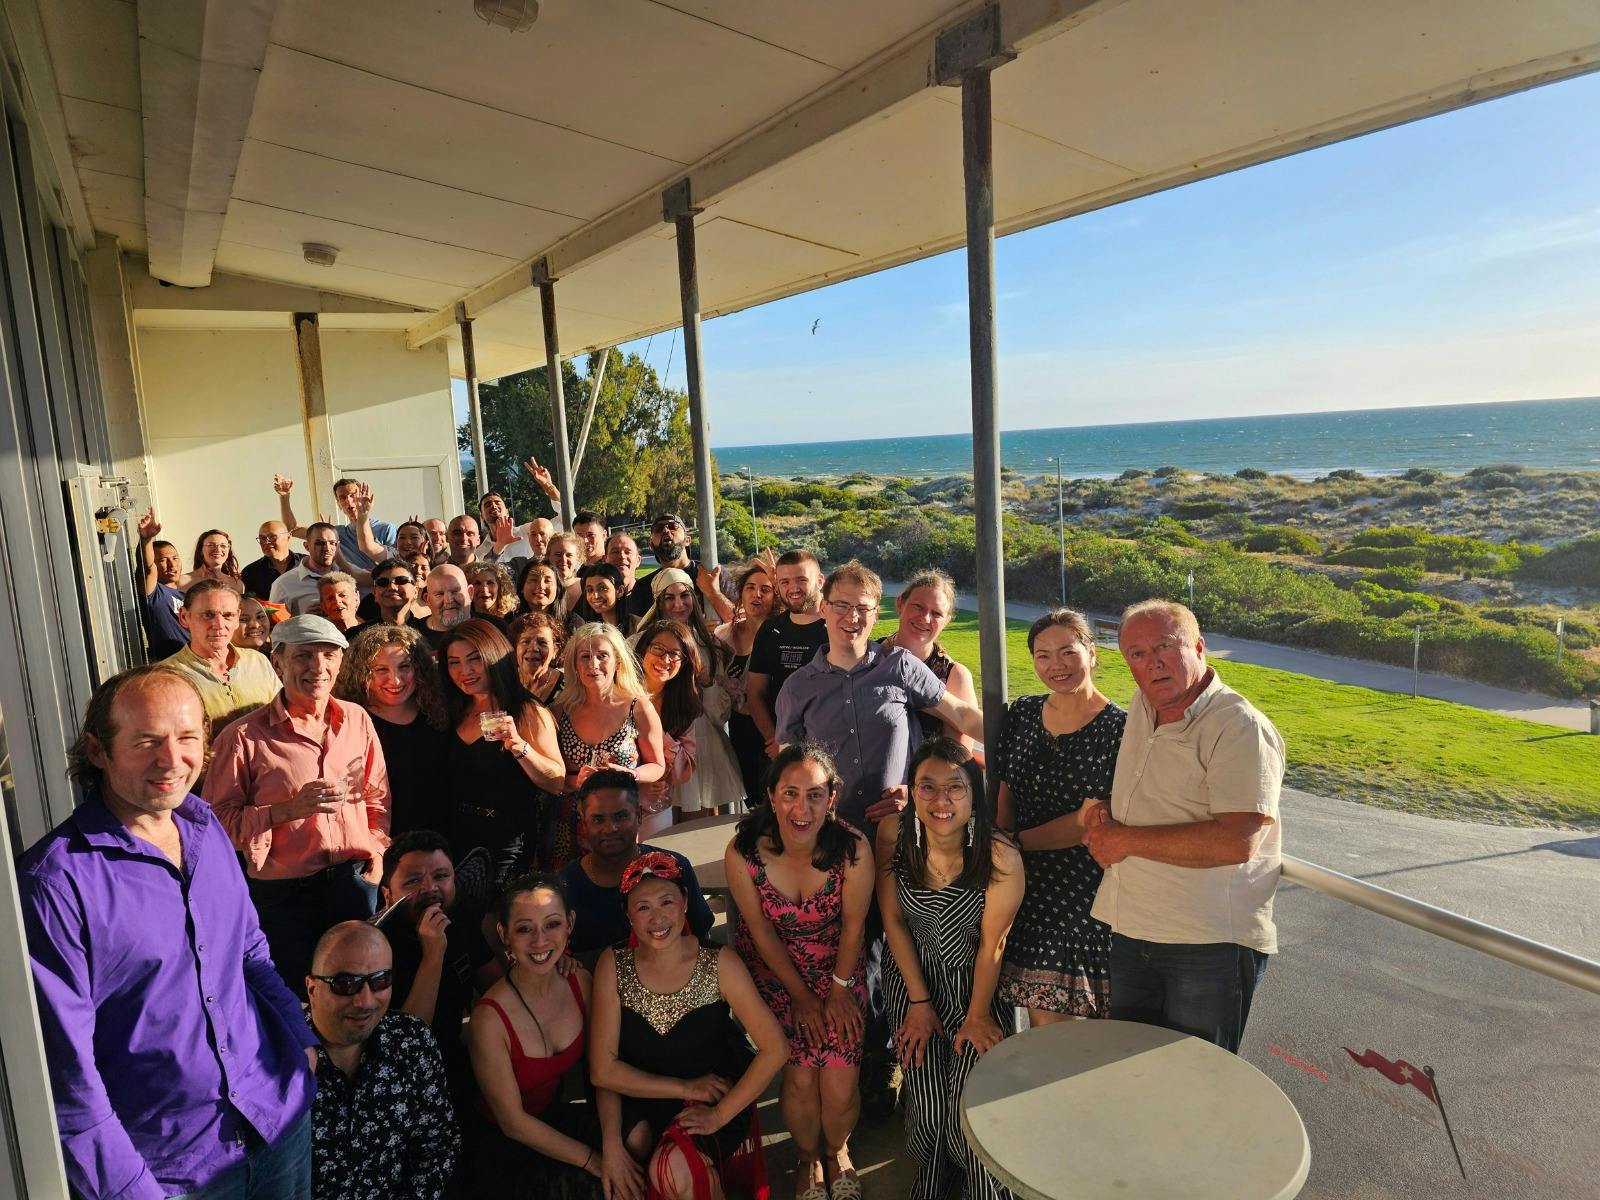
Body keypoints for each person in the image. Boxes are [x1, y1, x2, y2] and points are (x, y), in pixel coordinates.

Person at [20, 665, 318, 1200]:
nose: (171, 760)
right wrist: (128, 1190)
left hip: (275, 1123)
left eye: (186, 738)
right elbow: (66, 1072)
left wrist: (299, 1042)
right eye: (145, 741)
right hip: (170, 1173)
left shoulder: (204, 826)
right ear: (97, 751)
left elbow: (249, 950)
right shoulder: (55, 884)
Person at [1084, 600, 1285, 1054]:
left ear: (1199, 647)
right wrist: (1107, 815)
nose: (1151, 662)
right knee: (1129, 1070)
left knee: (1198, 1086)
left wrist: (1121, 839)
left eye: (1164, 646)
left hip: (1207, 944)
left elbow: (1238, 841)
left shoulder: (1238, 726)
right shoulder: (1142, 704)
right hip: (1133, 929)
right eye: (1135, 653)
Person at [204, 613, 391, 994]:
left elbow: (378, 795)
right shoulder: (242, 737)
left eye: (329, 655)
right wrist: (287, 810)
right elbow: (215, 825)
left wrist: (377, 849)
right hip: (285, 896)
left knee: (360, 995)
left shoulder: (357, 719)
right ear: (277, 662)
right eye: (304, 656)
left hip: (353, 883)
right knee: (297, 1000)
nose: (318, 667)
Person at [590, 853, 787, 1200]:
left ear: (684, 904)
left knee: (671, 1168)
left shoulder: (719, 962)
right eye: (643, 907)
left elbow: (775, 1049)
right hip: (645, 1094)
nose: (657, 917)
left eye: (667, 901)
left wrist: (719, 1115)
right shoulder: (613, 965)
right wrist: (684, 1087)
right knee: (631, 1162)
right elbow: (603, 1070)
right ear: (628, 916)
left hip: (711, 1099)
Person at [877, 739, 1024, 1200]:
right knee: (926, 1093)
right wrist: (918, 1003)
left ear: (973, 795)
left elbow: (991, 944)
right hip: (912, 977)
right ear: (913, 791)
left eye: (955, 788)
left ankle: (984, 1189)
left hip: (977, 984)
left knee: (973, 1094)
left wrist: (976, 1016)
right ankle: (935, 1180)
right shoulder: (891, 834)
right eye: (928, 787)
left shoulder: (1000, 856)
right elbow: (894, 921)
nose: (941, 801)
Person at [727, 743, 873, 1200]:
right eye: (790, 793)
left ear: (832, 799)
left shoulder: (853, 849)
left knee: (840, 1078)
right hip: (777, 974)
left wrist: (836, 990)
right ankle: (808, 1160)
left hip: (840, 970)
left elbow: (853, 927)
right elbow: (759, 931)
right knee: (801, 1076)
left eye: (815, 794)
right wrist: (802, 997)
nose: (802, 807)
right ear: (771, 795)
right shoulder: (744, 851)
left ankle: (839, 1152)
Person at [775, 560, 984, 830]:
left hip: (898, 829)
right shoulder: (797, 686)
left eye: (863, 609)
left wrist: (1028, 731)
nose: (852, 617)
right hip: (830, 832)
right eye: (842, 606)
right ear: (823, 608)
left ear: (876, 615)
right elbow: (787, 767)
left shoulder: (900, 665)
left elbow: (962, 715)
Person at [995, 609, 1123, 1023]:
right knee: (1038, 1027)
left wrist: (1010, 845)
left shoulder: (1118, 729)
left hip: (1077, 892)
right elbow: (1006, 788)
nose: (1056, 666)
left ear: (1092, 653)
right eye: (1043, 655)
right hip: (1018, 882)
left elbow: (1087, 820)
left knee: (1060, 1032)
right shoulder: (1023, 713)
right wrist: (1003, 852)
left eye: (1067, 652)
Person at [467, 874, 612, 1199]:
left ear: (569, 924)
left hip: (553, 1118)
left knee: (637, 1137)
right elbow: (513, 1124)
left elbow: (602, 1072)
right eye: (524, 929)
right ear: (503, 934)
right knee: (597, 1186)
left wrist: (614, 1145)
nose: (540, 941)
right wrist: (596, 1161)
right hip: (502, 1148)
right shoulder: (489, 1019)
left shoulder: (578, 981)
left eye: (552, 925)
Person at [306, 921, 460, 1200]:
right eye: (345, 984)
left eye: (380, 981)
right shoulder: (277, 1060)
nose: (365, 1001)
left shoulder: (412, 1041)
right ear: (312, 989)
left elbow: (437, 1148)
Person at [377, 832, 499, 1105]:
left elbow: (500, 989)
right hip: (398, 1082)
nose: (429, 888)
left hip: (454, 1061)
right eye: (413, 880)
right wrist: (433, 954)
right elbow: (408, 1044)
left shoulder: (461, 923)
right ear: (388, 894)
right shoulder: (375, 949)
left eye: (441, 876)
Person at [439, 618, 567, 879]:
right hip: (457, 834)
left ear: (495, 656)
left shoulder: (527, 711)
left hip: (506, 839)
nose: (465, 670)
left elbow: (556, 781)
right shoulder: (453, 709)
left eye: (475, 659)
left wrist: (520, 747)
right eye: (454, 662)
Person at [558, 771, 715, 968]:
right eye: (598, 819)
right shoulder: (564, 886)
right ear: (584, 824)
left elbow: (702, 939)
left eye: (620, 816)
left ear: (639, 816)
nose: (610, 828)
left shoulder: (674, 866)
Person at [334, 624, 452, 836]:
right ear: (361, 674)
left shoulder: (437, 711)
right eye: (381, 670)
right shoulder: (350, 723)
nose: (395, 680)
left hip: (442, 843)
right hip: (382, 848)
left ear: (420, 668)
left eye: (405, 667)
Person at [553, 623, 667, 843]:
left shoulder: (639, 707)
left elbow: (657, 766)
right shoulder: (559, 711)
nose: (593, 665)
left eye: (602, 656)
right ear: (575, 665)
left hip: (620, 822)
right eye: (584, 657)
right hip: (569, 826)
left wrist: (629, 775)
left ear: (617, 662)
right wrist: (576, 780)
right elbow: (549, 775)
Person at [640, 571, 743, 813]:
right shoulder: (639, 642)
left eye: (685, 596)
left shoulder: (711, 643)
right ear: (659, 602)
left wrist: (718, 684)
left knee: (704, 816)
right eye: (669, 598)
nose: (678, 604)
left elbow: (718, 712)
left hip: (703, 737)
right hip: (655, 737)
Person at [165, 579, 282, 730]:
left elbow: (281, 719)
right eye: (208, 615)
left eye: (228, 615)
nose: (219, 625)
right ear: (184, 617)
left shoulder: (257, 661)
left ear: (237, 618)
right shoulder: (169, 676)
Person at [881, 571, 980, 749]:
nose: (925, 618)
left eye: (936, 613)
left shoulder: (953, 675)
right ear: (900, 604)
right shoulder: (869, 654)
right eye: (918, 606)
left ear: (947, 621)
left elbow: (957, 755)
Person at [746, 549, 828, 763]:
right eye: (784, 582)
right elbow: (755, 692)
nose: (793, 589)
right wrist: (775, 739)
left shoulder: (836, 628)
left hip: (828, 749)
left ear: (820, 581)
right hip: (780, 752)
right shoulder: (770, 630)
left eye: (801, 580)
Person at [715, 559, 778, 807]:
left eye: (765, 589)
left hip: (773, 726)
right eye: (750, 587)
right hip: (739, 726)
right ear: (740, 594)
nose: (757, 594)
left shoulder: (780, 633)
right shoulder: (724, 635)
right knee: (752, 796)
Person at [274, 474, 395, 572]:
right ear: (338, 503)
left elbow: (397, 565)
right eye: (343, 497)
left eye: (353, 495)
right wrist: (284, 496)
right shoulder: (335, 533)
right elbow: (293, 529)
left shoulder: (386, 529)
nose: (349, 501)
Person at [643, 514, 734, 624]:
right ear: (651, 544)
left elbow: (742, 622)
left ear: (687, 540)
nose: (666, 530)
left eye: (673, 526)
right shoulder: (643, 587)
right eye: (658, 529)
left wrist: (713, 593)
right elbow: (637, 635)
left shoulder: (713, 574)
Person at [135, 511, 189, 660]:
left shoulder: (189, 597)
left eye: (175, 558)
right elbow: (146, 568)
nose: (172, 564)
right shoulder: (154, 592)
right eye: (163, 560)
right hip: (169, 667)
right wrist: (146, 539)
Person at [269, 521, 341, 615]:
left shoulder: (348, 574)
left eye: (332, 543)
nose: (327, 548)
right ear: (307, 546)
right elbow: (274, 626)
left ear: (338, 545)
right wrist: (305, 619)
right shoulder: (283, 584)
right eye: (319, 543)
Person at [410, 563, 486, 653]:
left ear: (470, 593)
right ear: (428, 600)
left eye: (455, 591)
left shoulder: (495, 629)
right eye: (439, 594)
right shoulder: (410, 638)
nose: (448, 600)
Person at [511, 610, 566, 705]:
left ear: (555, 651)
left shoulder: (568, 688)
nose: (533, 648)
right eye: (526, 641)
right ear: (515, 648)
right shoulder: (503, 681)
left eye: (542, 642)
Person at [242, 520, 301, 599]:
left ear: (288, 536)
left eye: (272, 536)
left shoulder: (306, 563)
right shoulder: (250, 572)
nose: (266, 542)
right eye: (262, 538)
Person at [572, 561, 634, 635]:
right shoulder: (586, 632)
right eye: (590, 590)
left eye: (602, 588)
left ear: (620, 591)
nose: (595, 596)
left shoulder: (638, 627)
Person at [369, 557, 425, 625]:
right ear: (374, 592)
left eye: (401, 580)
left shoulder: (428, 634)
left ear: (416, 591)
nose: (392, 587)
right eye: (382, 582)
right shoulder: (358, 634)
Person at [607, 532, 649, 622]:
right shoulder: (598, 598)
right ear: (604, 559)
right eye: (615, 552)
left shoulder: (650, 595)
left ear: (638, 560)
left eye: (627, 552)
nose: (622, 556)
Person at [516, 557, 569, 627]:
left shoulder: (572, 623)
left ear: (558, 589)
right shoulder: (509, 620)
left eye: (547, 581)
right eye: (534, 580)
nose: (541, 586)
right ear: (522, 587)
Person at [318, 571, 367, 636]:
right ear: (322, 605)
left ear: (356, 597)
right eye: (330, 598)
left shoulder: (372, 629)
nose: (337, 601)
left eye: (342, 595)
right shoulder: (319, 637)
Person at [547, 531, 585, 607]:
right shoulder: (542, 590)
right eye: (558, 555)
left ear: (577, 558)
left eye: (569, 555)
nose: (563, 560)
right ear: (548, 556)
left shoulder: (587, 586)